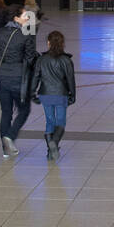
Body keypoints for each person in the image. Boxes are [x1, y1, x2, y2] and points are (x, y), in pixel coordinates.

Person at [0, 4, 37, 158]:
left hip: (2, 78)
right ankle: (10, 137)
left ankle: (6, 150)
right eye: (24, 16)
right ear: (16, 18)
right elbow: (30, 59)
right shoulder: (26, 35)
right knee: (24, 110)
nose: (27, 18)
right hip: (19, 78)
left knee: (6, 112)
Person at [33, 30, 75, 161]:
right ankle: (54, 144)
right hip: (60, 94)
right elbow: (70, 80)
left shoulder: (41, 59)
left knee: (49, 121)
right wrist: (73, 95)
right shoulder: (66, 60)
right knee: (60, 122)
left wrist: (32, 93)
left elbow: (36, 77)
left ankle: (50, 151)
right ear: (63, 44)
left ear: (48, 43)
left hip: (45, 94)